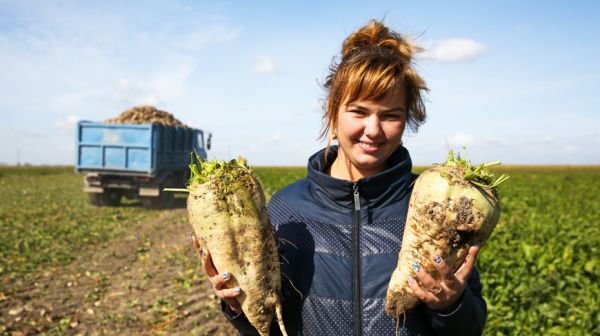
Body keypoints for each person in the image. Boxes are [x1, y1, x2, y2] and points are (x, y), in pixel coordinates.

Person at [191, 19, 487, 335]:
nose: (373, 130)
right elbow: (272, 328)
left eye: (390, 115)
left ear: (406, 120)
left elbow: (469, 328)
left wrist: (451, 305)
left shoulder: (437, 207)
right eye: (359, 112)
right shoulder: (288, 210)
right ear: (333, 113)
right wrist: (239, 305)